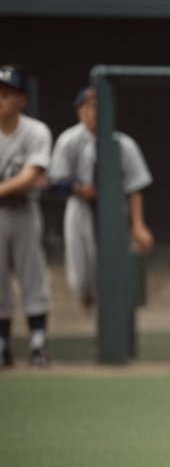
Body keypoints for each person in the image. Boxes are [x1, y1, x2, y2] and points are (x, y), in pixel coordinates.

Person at [48, 85, 155, 309]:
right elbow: (55, 182)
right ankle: (89, 302)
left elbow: (134, 187)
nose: (93, 111)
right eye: (87, 106)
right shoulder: (69, 140)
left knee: (113, 269)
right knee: (81, 271)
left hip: (113, 209)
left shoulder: (123, 143)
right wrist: (78, 188)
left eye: (98, 106)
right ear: (79, 110)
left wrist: (138, 225)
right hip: (80, 208)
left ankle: (109, 313)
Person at [0, 65, 54, 368]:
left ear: (21, 99)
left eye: (7, 94)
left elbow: (32, 176)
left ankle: (37, 342)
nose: (1, 100)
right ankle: (3, 343)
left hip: (24, 210)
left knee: (33, 275)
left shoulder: (35, 131)